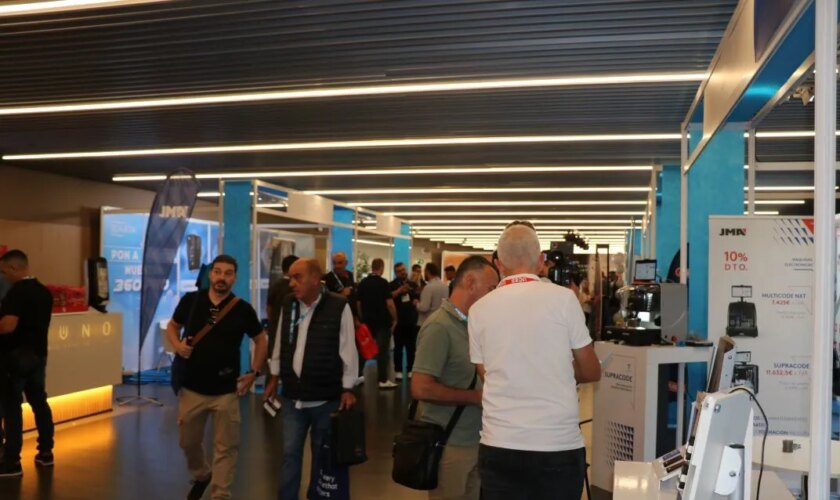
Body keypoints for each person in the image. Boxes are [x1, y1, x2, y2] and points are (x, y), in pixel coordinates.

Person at [468, 225, 601, 500]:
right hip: (556, 445)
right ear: (541, 260)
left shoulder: (478, 310)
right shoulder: (564, 300)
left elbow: (486, 374)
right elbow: (591, 370)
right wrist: (558, 368)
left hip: (499, 444)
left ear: (498, 263)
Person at [166, 255, 268, 500]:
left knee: (226, 448)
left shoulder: (242, 309)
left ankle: (220, 494)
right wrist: (178, 345)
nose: (222, 277)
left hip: (226, 391)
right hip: (192, 388)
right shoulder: (191, 301)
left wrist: (254, 372)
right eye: (218, 272)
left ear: (234, 277)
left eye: (228, 273)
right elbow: (172, 326)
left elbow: (260, 338)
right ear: (211, 274)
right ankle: (202, 474)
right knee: (187, 442)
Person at [265, 258, 358, 500]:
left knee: (321, 454)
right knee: (289, 454)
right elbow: (279, 342)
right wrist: (274, 377)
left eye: (298, 277)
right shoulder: (289, 304)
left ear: (316, 279)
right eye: (290, 278)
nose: (292, 283)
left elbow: (348, 349)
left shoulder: (339, 306)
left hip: (325, 400)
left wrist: (348, 388)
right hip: (292, 398)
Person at [412, 256, 499, 500]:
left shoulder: (473, 326)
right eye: (491, 288)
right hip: (450, 444)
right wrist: (476, 397)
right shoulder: (439, 327)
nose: (494, 296)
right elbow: (421, 388)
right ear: (470, 282)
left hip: (476, 439)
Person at [0, 250, 54, 478]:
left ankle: (11, 462)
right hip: (38, 356)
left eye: (4, 271)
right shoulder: (44, 292)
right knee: (39, 403)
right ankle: (46, 452)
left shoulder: (16, 294)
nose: (3, 277)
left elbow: (8, 326)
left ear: (13, 268)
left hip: (15, 359)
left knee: (12, 409)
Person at [357, 258, 398, 389]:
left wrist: (362, 317)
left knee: (363, 349)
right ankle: (382, 379)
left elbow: (358, 303)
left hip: (367, 321)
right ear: (381, 267)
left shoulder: (363, 283)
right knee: (382, 351)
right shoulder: (383, 283)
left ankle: (358, 376)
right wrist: (395, 318)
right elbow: (390, 304)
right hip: (382, 321)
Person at [266, 254, 299, 364]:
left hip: (275, 328)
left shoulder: (275, 285)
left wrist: (272, 322)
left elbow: (269, 307)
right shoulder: (294, 288)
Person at [389, 262, 420, 380]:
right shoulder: (391, 285)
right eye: (399, 271)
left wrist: (416, 298)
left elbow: (417, 296)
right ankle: (398, 370)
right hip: (398, 320)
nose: (402, 272)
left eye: (403, 270)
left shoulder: (412, 284)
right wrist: (399, 291)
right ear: (396, 273)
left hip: (411, 319)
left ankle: (410, 368)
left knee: (411, 346)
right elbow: (388, 298)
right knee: (398, 346)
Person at [417, 263, 447, 328]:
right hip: (440, 320)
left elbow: (424, 307)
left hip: (427, 322)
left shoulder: (428, 287)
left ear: (428, 272)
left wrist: (416, 304)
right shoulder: (445, 286)